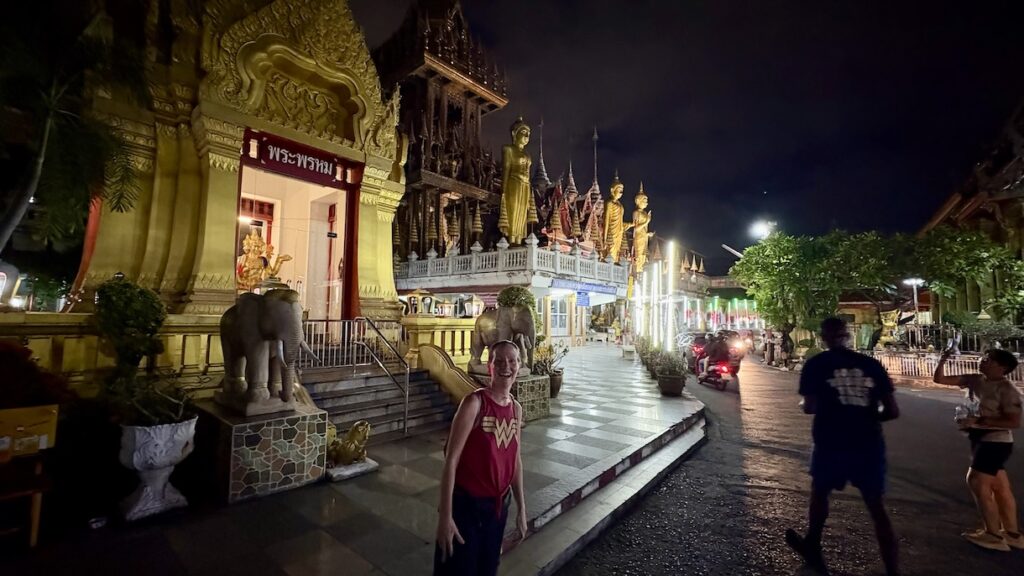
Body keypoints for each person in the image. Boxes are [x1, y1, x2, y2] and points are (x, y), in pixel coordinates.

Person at [786, 317, 900, 575]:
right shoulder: (870, 365)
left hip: (831, 441)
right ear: (847, 335)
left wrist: (819, 408)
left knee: (820, 493)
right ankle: (893, 569)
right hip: (867, 444)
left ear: (823, 337)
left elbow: (810, 406)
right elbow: (892, 411)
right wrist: (866, 417)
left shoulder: (816, 365)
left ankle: (813, 543)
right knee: (876, 507)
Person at [435, 341, 528, 575]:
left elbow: (515, 460)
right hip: (467, 507)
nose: (506, 366)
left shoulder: (516, 409)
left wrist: (521, 510)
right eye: (499, 361)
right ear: (490, 366)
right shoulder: (475, 403)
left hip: (497, 509)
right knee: (459, 569)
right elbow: (451, 460)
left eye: (512, 360)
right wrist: (445, 517)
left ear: (519, 364)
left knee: (488, 568)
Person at [933, 347, 1023, 551]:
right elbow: (940, 380)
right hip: (980, 439)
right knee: (1000, 487)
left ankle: (993, 535)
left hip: (995, 441)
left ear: (1003, 367)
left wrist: (979, 420)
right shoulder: (975, 380)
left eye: (989, 359)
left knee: (976, 481)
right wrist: (943, 359)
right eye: (984, 358)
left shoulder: (1007, 390)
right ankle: (1012, 534)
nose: (983, 361)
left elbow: (1014, 421)